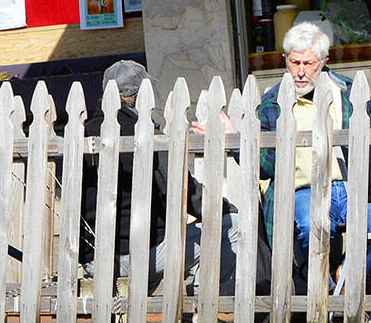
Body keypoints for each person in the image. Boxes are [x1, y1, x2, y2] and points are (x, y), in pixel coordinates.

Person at [258, 22, 371, 292]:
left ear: (324, 61)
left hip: (351, 188)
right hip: (302, 189)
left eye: (309, 63)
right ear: (285, 60)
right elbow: (265, 166)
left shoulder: (347, 91)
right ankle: (325, 286)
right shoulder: (272, 102)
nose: (301, 72)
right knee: (308, 227)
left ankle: (343, 276)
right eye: (294, 62)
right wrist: (245, 140)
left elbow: (370, 133)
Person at [80, 59, 268, 296]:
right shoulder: (146, 133)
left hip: (94, 260)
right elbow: (184, 191)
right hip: (141, 256)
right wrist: (226, 209)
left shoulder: (82, 133)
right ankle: (202, 301)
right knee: (234, 227)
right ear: (141, 95)